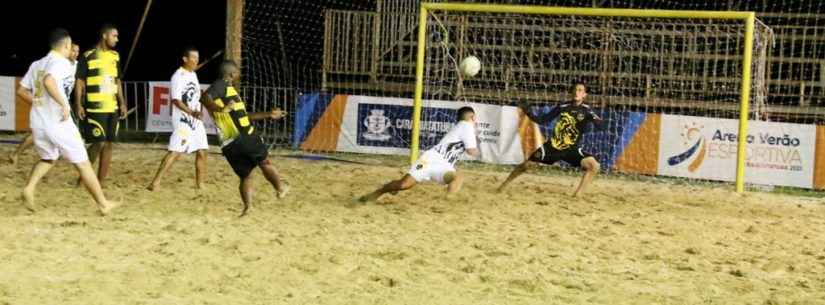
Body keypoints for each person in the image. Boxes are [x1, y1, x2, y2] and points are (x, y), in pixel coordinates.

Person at [18, 28, 118, 214]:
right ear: (65, 45)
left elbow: (22, 91)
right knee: (83, 162)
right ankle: (103, 204)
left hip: (38, 121)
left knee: (48, 157)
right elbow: (49, 81)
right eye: (71, 45)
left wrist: (40, 103)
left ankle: (29, 188)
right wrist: (63, 104)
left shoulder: (37, 63)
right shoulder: (61, 62)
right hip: (58, 122)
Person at [201, 60, 289, 216]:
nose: (239, 75)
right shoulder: (221, 84)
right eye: (237, 73)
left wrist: (269, 114)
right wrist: (222, 108)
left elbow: (245, 116)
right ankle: (280, 188)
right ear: (231, 74)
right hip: (244, 136)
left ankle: (248, 207)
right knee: (264, 162)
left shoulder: (229, 92)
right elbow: (205, 97)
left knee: (245, 176)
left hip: (229, 143)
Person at [497, 82, 603, 197]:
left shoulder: (587, 110)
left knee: (594, 166)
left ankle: (577, 195)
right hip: (553, 147)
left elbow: (600, 124)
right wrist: (529, 112)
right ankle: (503, 186)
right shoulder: (563, 107)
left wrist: (598, 122)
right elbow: (542, 120)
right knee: (527, 165)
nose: (576, 92)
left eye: (580, 90)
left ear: (584, 95)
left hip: (571, 149)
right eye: (575, 89)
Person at [359, 106, 479, 202]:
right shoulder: (466, 126)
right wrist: (479, 152)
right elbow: (471, 151)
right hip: (430, 160)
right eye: (475, 118)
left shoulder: (462, 126)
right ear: (472, 117)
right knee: (403, 185)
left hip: (445, 165)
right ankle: (377, 193)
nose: (476, 121)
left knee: (457, 177)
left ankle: (447, 202)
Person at [147, 46, 208, 191]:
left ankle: (200, 184)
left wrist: (197, 112)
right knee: (176, 151)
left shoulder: (193, 74)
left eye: (197, 58)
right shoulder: (177, 76)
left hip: (195, 120)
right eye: (193, 58)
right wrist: (191, 112)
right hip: (183, 120)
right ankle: (155, 182)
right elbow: (176, 100)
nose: (196, 60)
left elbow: (195, 97)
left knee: (202, 150)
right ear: (185, 59)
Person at [9, 43, 79, 165]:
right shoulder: (55, 64)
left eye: (77, 51)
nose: (75, 53)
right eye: (73, 50)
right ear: (66, 50)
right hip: (52, 104)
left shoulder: (76, 65)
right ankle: (16, 153)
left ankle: (65, 156)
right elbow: (44, 83)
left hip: (62, 104)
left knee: (57, 133)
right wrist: (39, 102)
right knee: (38, 135)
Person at [75, 24, 127, 186]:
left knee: (109, 143)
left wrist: (122, 103)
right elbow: (79, 81)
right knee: (99, 142)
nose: (117, 39)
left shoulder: (115, 56)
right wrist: (78, 104)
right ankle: (83, 178)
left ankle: (100, 181)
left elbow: (117, 81)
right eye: (114, 36)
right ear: (105, 35)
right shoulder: (88, 55)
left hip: (112, 107)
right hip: (95, 107)